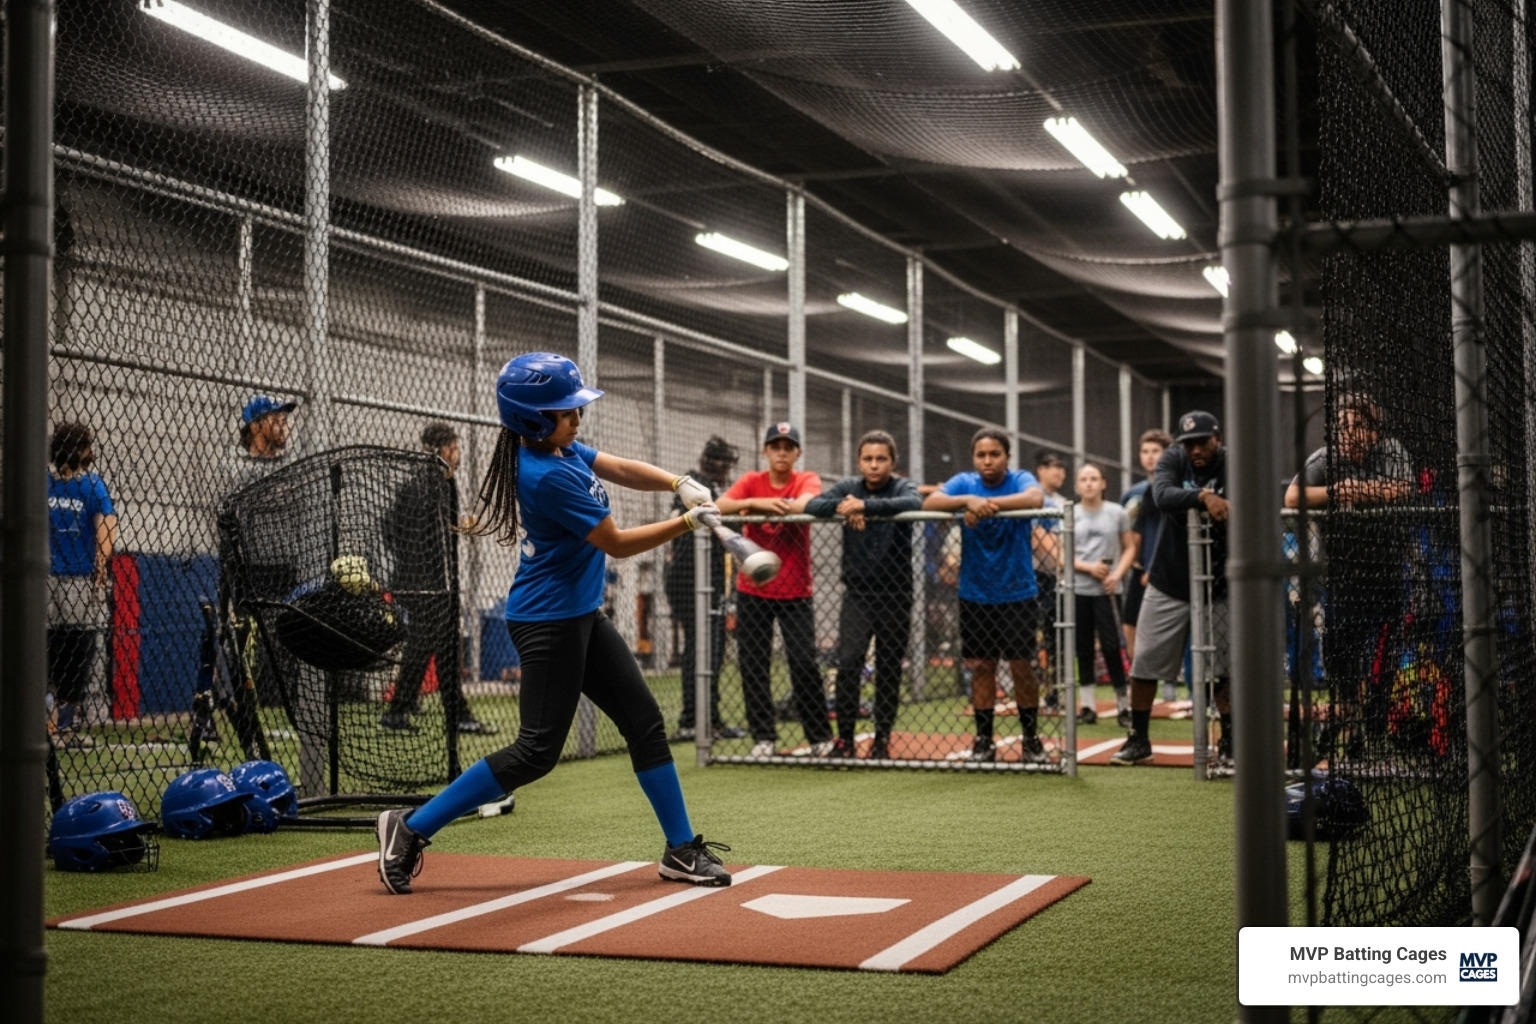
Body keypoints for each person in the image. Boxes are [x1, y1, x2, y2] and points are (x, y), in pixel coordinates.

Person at [376, 352, 731, 894]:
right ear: (534, 421)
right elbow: (614, 543)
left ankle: (680, 849)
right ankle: (411, 826)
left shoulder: (558, 448)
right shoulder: (545, 475)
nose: (578, 420)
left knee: (643, 722)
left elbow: (613, 465)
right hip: (548, 623)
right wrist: (685, 522)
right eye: (568, 413)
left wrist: (677, 481)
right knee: (537, 752)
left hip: (579, 615)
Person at [1284, 395, 1412, 761]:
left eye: (1358, 425)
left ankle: (1374, 729)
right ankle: (1351, 724)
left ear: (1374, 430)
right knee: (1340, 652)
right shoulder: (1325, 458)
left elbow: (1403, 487)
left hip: (1389, 574)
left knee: (1383, 658)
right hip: (1344, 576)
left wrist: (1361, 490)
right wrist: (1336, 492)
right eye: (1343, 426)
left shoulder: (1390, 452)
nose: (1349, 433)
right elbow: (1293, 497)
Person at [1112, 411, 1231, 767]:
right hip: (1169, 578)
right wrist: (1203, 498)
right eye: (1189, 443)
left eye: (1202, 441)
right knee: (1145, 662)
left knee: (1222, 669)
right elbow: (1162, 495)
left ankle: (1229, 741)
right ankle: (1139, 738)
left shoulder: (1230, 462)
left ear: (1217, 439)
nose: (1195, 449)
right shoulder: (1173, 458)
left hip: (1219, 581)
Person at [923, 428, 1048, 763]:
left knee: (1022, 667)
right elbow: (931, 501)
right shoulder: (965, 482)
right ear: (974, 457)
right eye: (981, 455)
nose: (988, 460)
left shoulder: (1020, 478)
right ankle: (983, 741)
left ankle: (1031, 740)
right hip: (975, 595)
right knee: (982, 668)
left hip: (1018, 592)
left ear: (1006, 457)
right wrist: (967, 501)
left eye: (995, 454)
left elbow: (1035, 499)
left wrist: (987, 506)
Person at [805, 429, 923, 759]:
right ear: (859, 461)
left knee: (888, 668)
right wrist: (846, 507)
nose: (874, 465)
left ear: (892, 462)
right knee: (848, 663)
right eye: (868, 459)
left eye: (881, 459)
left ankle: (881, 739)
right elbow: (814, 504)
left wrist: (866, 506)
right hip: (858, 594)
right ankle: (844, 739)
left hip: (896, 594)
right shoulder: (849, 488)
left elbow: (915, 502)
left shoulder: (900, 486)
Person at [716, 422, 831, 757]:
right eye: (775, 446)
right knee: (753, 664)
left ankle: (820, 737)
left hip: (796, 591)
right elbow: (719, 506)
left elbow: (809, 503)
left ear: (797, 452)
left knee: (804, 663)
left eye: (788, 447)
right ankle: (764, 737)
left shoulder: (805, 478)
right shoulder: (752, 481)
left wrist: (762, 506)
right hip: (754, 588)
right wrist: (758, 502)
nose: (782, 452)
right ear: (766, 451)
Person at [379, 421, 497, 736]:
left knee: (441, 647)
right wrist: (426, 573)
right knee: (426, 644)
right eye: (454, 449)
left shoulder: (431, 481)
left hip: (426, 580)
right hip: (430, 583)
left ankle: (448, 713)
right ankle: (401, 710)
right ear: (440, 450)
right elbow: (415, 535)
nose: (457, 455)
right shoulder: (432, 483)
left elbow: (393, 529)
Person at [663, 436, 746, 741]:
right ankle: (691, 720)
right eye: (721, 462)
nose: (724, 468)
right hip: (688, 581)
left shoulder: (723, 489)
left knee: (713, 651)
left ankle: (710, 719)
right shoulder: (695, 482)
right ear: (710, 461)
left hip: (713, 584)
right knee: (699, 651)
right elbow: (679, 514)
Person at [48, 423, 118, 749]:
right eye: (87, 447)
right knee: (54, 648)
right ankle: (51, 721)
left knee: (76, 648)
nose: (91, 453)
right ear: (77, 450)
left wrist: (101, 568)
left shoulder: (90, 484)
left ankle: (63, 723)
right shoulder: (46, 482)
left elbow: (107, 525)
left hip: (76, 577)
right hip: (49, 579)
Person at [1070, 464, 1137, 726]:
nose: (1088, 484)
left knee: (1111, 646)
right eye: (1083, 479)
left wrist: (1116, 575)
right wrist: (1089, 568)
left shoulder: (1117, 513)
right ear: (1077, 485)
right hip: (1080, 590)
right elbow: (1062, 555)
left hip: (1108, 590)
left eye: (1093, 479)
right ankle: (1087, 706)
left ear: (1103, 483)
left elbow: (1129, 548)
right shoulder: (1071, 514)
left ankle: (1123, 706)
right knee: (1083, 648)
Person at [1119, 429, 1173, 705]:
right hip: (1138, 572)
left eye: (1156, 451)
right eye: (1145, 451)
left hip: (1168, 571)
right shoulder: (1133, 494)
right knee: (1130, 625)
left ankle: (1170, 683)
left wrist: (1156, 565)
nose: (1150, 457)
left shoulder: (1175, 488)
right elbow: (1126, 533)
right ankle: (1137, 677)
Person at [1031, 450, 1068, 709]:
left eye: (1061, 469)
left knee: (1056, 639)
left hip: (1056, 579)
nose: (1058, 473)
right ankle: (1034, 692)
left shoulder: (1063, 502)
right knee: (1032, 638)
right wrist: (1060, 561)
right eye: (1052, 467)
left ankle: (1054, 694)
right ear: (1040, 470)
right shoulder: (1034, 497)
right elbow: (1036, 535)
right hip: (1035, 576)